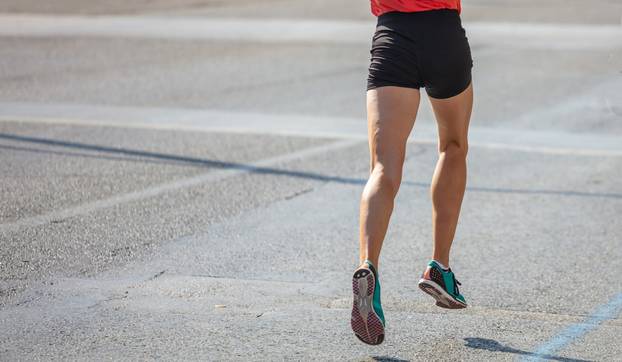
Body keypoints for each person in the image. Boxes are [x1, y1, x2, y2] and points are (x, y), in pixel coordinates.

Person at [351, 0, 473, 345]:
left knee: (383, 168)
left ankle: (368, 264)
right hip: (443, 33)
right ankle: (440, 267)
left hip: (393, 36)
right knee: (452, 145)